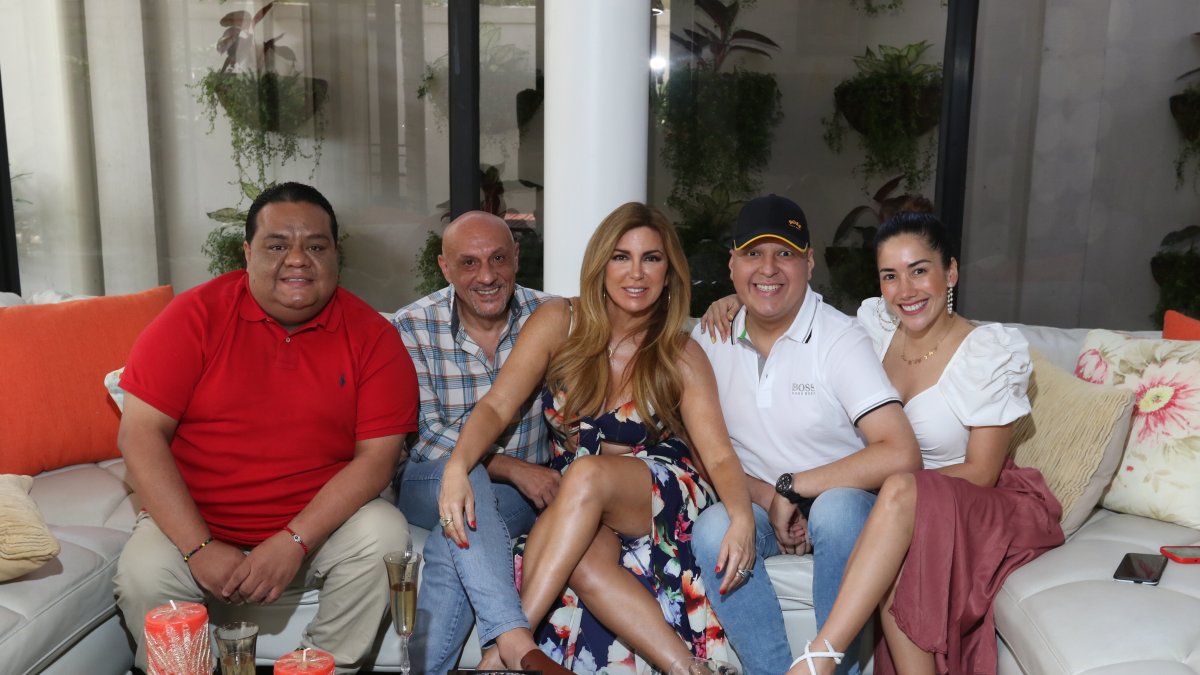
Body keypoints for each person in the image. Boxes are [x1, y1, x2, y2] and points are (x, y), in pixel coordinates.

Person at [437, 202, 756, 674]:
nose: (636, 272)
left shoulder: (679, 351)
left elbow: (719, 455)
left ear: (669, 272)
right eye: (621, 257)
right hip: (579, 497)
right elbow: (496, 406)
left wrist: (742, 517)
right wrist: (457, 466)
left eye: (652, 258)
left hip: (657, 490)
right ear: (601, 264)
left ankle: (503, 653)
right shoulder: (558, 323)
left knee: (584, 476)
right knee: (582, 563)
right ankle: (687, 667)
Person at [114, 182, 417, 674]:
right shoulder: (192, 317)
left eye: (315, 246)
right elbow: (139, 436)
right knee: (143, 574)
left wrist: (293, 541)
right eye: (278, 245)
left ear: (336, 255)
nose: (298, 259)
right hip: (194, 524)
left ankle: (319, 667)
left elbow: (377, 461)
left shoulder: (375, 338)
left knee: (383, 533)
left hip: (316, 531)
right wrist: (199, 547)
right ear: (248, 252)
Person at [784, 212, 1064, 675]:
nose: (905, 291)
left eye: (919, 270)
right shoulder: (873, 330)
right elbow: (799, 315)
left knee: (897, 493)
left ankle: (819, 659)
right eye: (890, 276)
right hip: (904, 503)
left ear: (949, 272)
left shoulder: (986, 352)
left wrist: (896, 492)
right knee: (895, 536)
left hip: (976, 499)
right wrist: (735, 303)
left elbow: (982, 472)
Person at [693, 194, 922, 675]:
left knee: (837, 512)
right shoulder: (708, 338)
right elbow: (699, 448)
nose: (768, 268)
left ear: (810, 262)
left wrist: (791, 487)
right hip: (757, 501)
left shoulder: (839, 338)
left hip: (842, 502)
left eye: (786, 254)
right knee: (714, 528)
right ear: (732, 263)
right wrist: (768, 497)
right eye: (753, 253)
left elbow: (901, 451)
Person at [391, 211, 558, 673]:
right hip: (428, 481)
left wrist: (728, 305)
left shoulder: (551, 317)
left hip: (516, 498)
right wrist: (505, 465)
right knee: (466, 480)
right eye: (468, 263)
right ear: (445, 267)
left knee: (454, 540)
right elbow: (423, 437)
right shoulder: (411, 327)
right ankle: (514, 640)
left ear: (517, 258)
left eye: (498, 259)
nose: (487, 276)